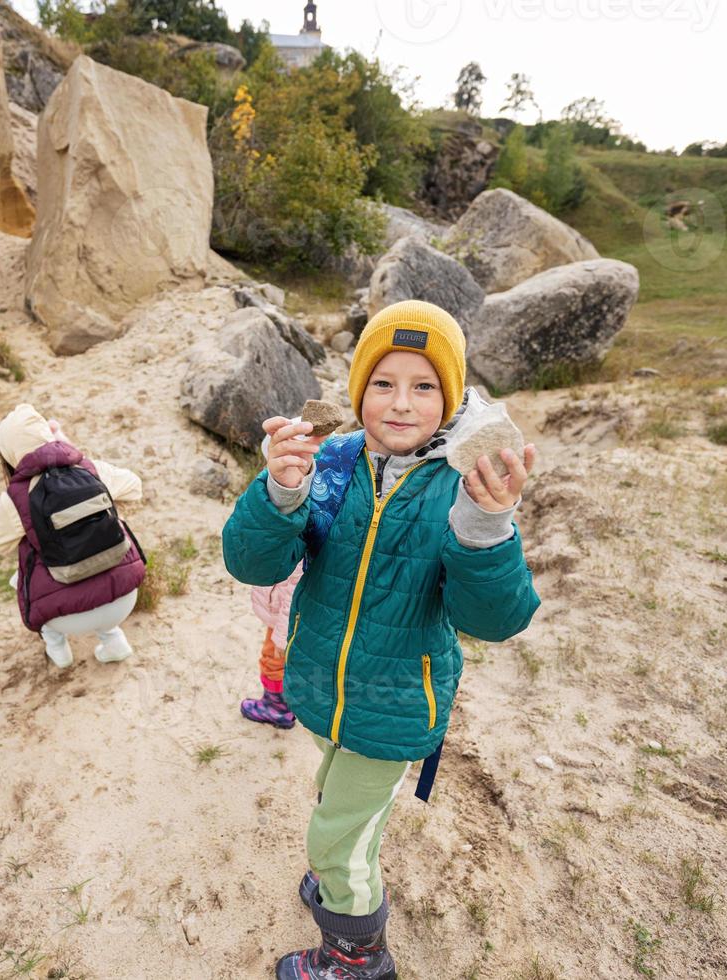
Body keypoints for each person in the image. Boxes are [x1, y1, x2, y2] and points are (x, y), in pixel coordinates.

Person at [222, 300, 542, 979]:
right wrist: (280, 491)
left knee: (334, 837)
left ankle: (355, 952)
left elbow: (496, 619)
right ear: (358, 388)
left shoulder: (465, 486)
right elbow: (253, 564)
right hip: (322, 686)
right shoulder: (332, 460)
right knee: (335, 798)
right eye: (383, 383)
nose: (400, 404)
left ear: (450, 395)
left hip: (395, 704)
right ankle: (345, 884)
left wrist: (488, 527)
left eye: (424, 386)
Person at [0, 404, 146, 668]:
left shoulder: (15, 498)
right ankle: (113, 639)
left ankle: (56, 646)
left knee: (27, 557)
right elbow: (135, 487)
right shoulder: (90, 468)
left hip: (66, 616)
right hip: (125, 597)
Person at [241, 564, 303, 729]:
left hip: (286, 621)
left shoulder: (303, 549)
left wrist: (283, 637)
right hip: (284, 612)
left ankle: (276, 707)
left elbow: (295, 595)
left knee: (273, 661)